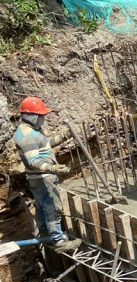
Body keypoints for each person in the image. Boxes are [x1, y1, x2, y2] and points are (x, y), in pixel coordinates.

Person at [13, 97, 81, 251]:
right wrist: (53, 168)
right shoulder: (27, 136)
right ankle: (58, 241)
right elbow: (33, 161)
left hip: (39, 178)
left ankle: (45, 234)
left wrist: (63, 136)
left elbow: (44, 144)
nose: (44, 118)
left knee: (42, 206)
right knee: (52, 208)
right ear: (32, 116)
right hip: (42, 178)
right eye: (41, 115)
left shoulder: (31, 130)